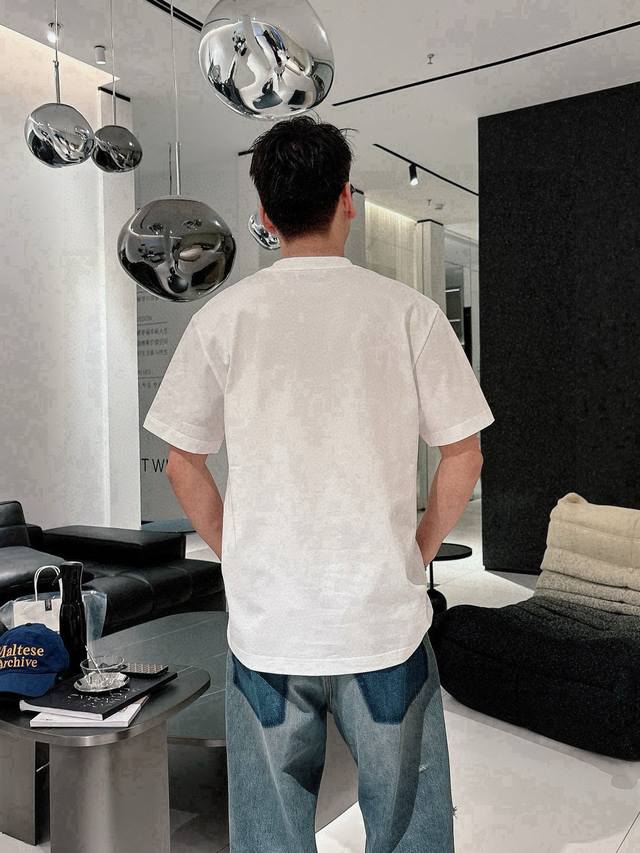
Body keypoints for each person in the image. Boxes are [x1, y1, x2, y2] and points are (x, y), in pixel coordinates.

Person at [143, 115, 494, 852]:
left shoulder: (222, 318)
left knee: (270, 835)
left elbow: (182, 462)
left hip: (270, 626)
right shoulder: (410, 313)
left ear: (265, 216)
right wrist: (421, 547)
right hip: (382, 621)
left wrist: (234, 550)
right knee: (407, 829)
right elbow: (464, 455)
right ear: (347, 200)